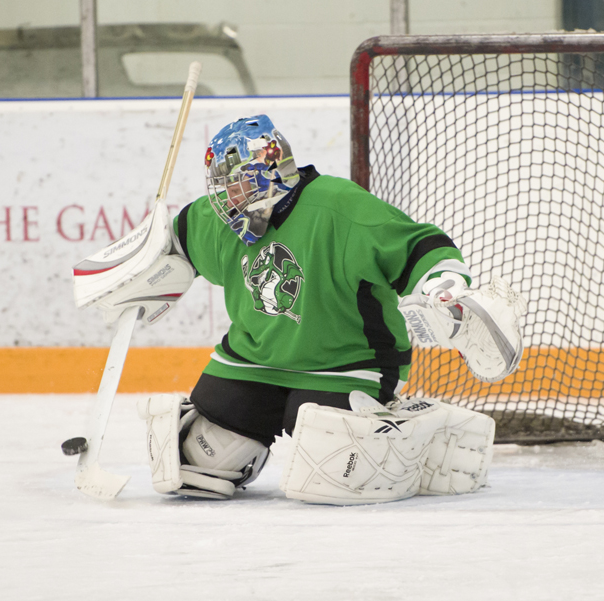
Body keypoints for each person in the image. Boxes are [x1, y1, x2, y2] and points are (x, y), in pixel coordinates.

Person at [132, 115, 527, 505]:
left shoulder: (340, 207)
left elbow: (420, 247)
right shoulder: (220, 221)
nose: (227, 201)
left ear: (271, 171)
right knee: (196, 461)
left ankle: (417, 429)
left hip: (346, 362)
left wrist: (443, 287)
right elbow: (172, 242)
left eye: (239, 186)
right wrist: (132, 272)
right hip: (253, 360)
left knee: (336, 466)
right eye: (223, 190)